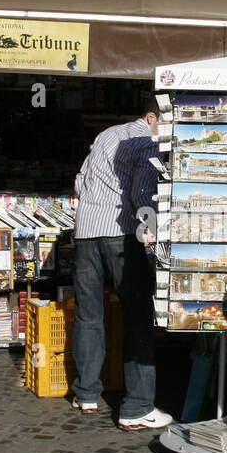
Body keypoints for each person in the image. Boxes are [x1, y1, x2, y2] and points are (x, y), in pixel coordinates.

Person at [71, 99, 172, 430]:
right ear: (150, 116)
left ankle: (86, 393)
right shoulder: (145, 139)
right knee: (138, 317)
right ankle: (137, 406)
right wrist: (151, 229)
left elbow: (80, 180)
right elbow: (141, 192)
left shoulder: (106, 135)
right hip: (122, 233)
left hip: (86, 232)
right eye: (165, 122)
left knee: (88, 315)